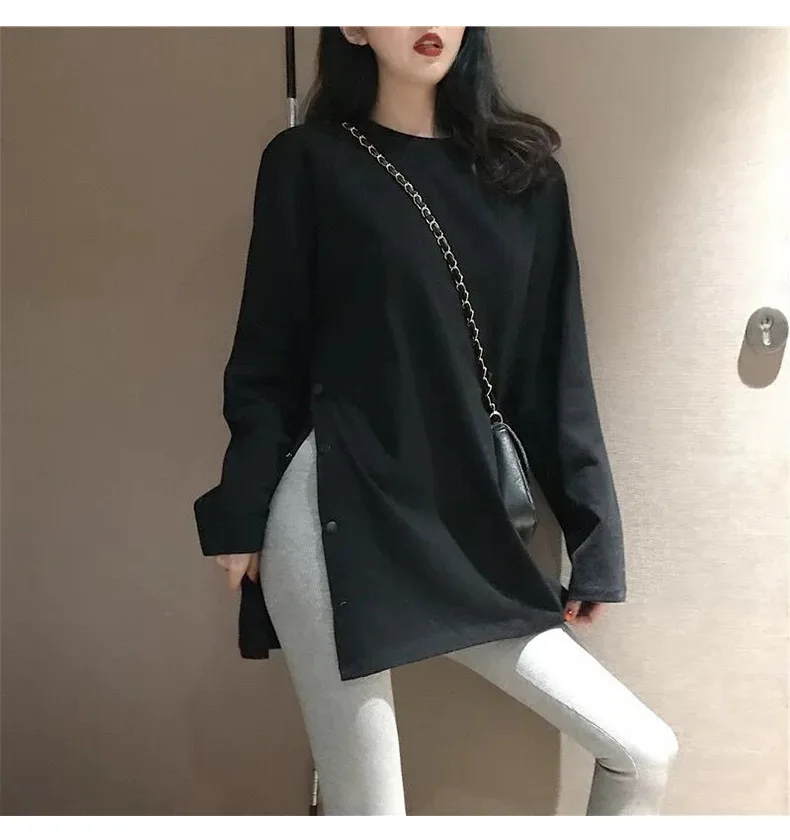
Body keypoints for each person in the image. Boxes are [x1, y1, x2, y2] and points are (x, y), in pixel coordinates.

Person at [192, 26, 680, 815]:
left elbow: (555, 373)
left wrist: (596, 542)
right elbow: (266, 356)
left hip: (463, 522)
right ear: (353, 24)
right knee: (370, 812)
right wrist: (242, 511)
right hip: (333, 510)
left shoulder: (526, 179)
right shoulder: (309, 162)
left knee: (641, 753)